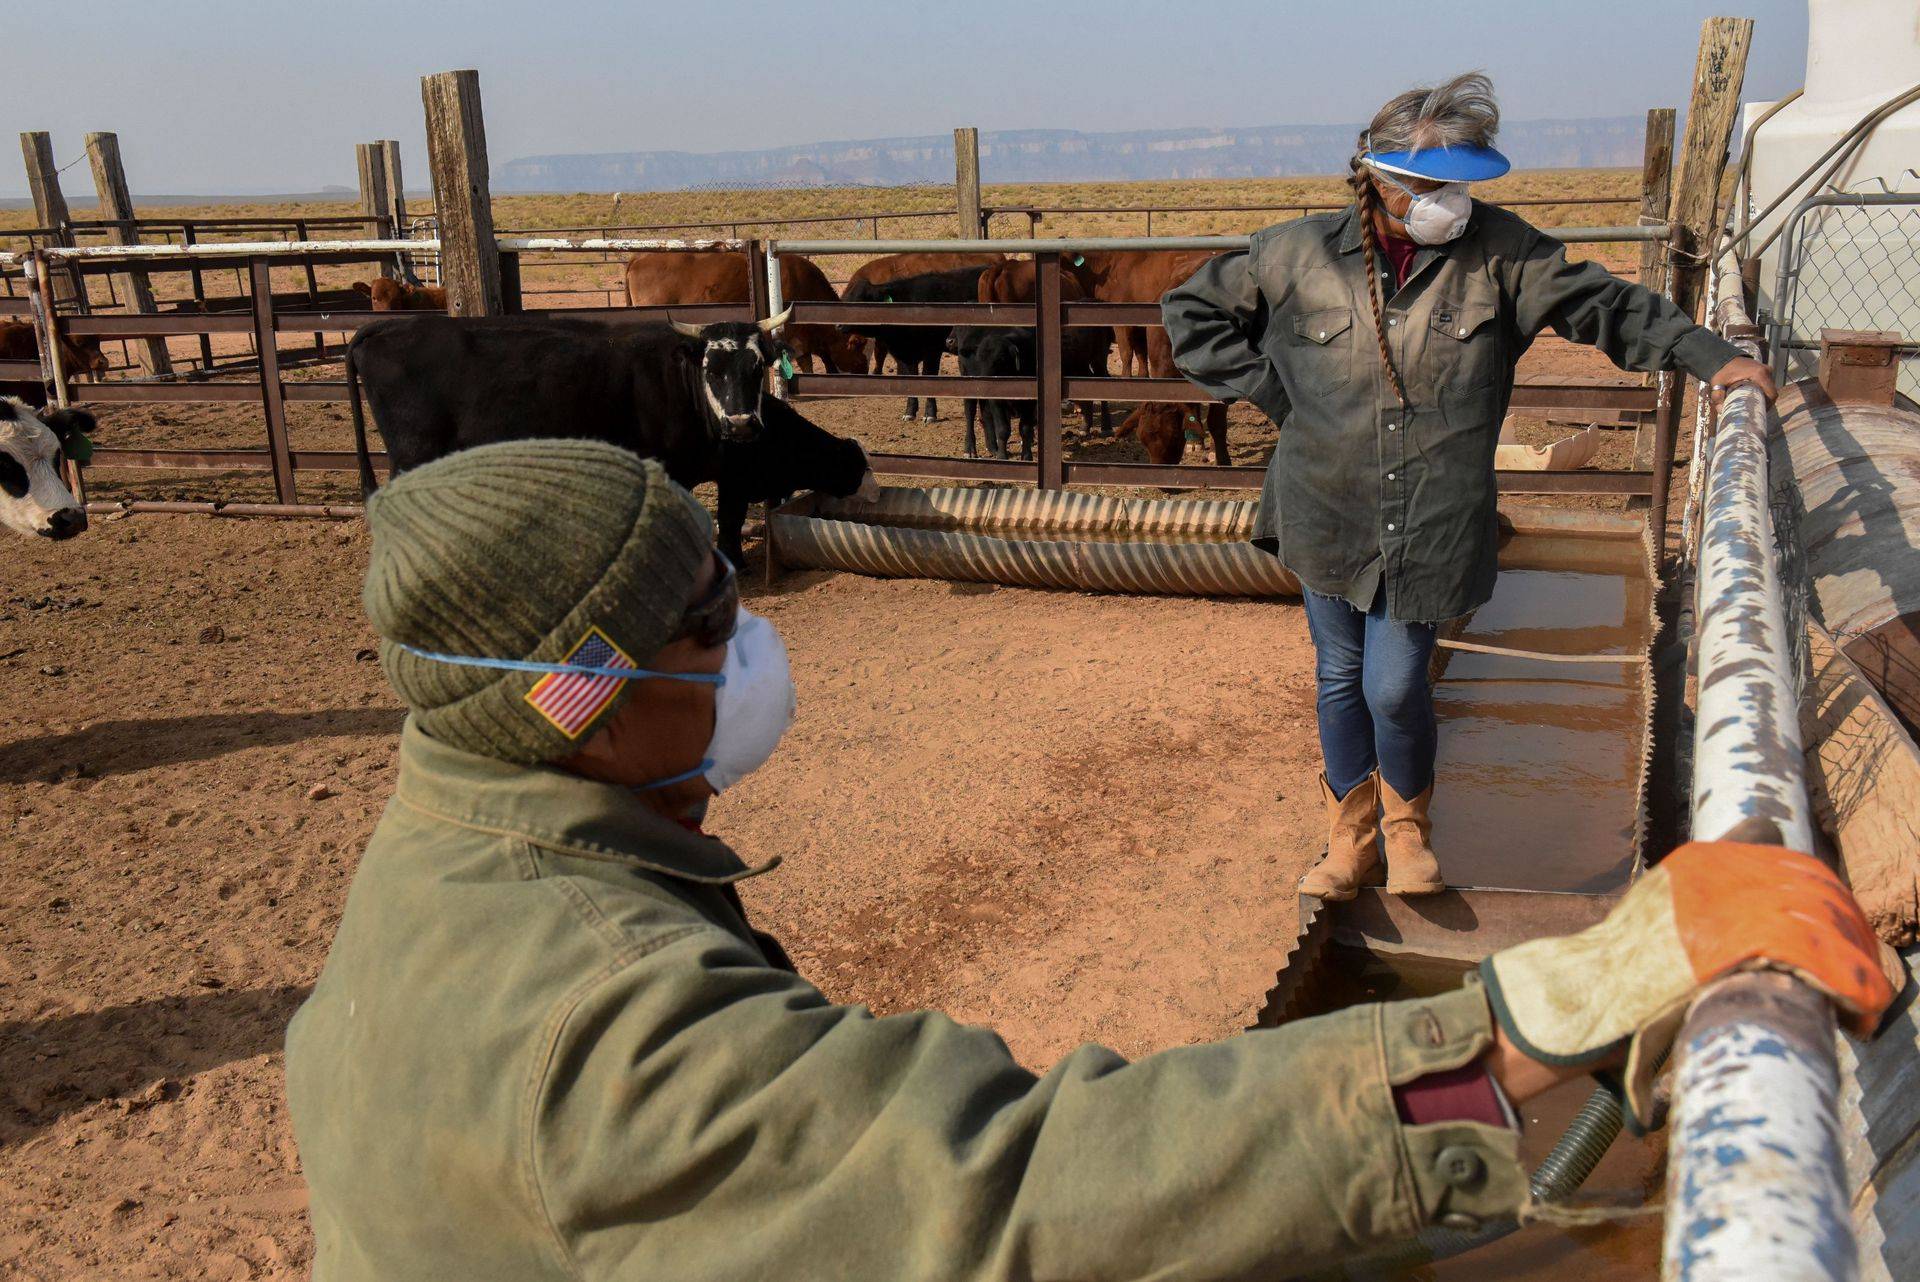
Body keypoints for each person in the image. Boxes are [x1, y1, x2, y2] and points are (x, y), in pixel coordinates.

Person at [284, 440, 1890, 1281]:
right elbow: (1008, 1188)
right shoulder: (596, 1011)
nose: (754, 641)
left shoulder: (444, 851)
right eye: (710, 625)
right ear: (584, 689)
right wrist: (1540, 1011)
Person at [1162, 74, 1777, 902]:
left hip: (1435, 519)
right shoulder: (1292, 252)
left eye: (1455, 183)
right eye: (1425, 185)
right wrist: (1279, 393)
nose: (1444, 201)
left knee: (1394, 682)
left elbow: (1607, 305)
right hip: (1323, 508)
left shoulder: (1506, 255)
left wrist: (1711, 357)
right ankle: (1351, 841)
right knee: (1339, 677)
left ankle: (1409, 827)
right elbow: (1189, 311)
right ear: (1375, 178)